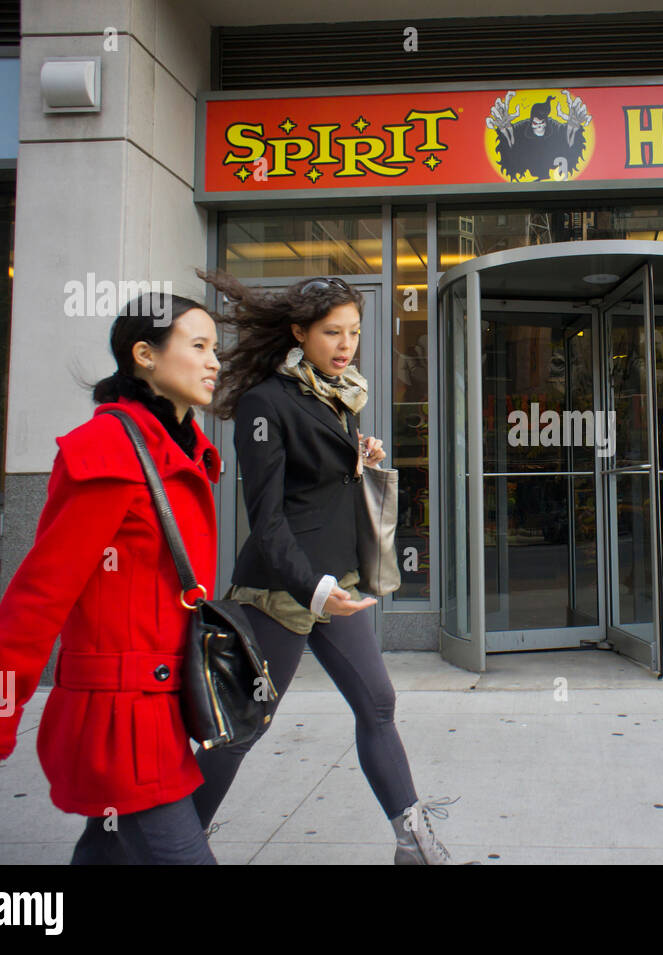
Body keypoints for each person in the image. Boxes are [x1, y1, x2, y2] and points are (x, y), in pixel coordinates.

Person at [191, 270, 469, 864]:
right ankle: (178, 845)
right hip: (282, 592)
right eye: (332, 333)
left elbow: (318, 478)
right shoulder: (266, 403)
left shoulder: (338, 394)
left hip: (336, 586)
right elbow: (266, 521)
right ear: (299, 332)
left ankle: (415, 846)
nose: (346, 345)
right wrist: (313, 588)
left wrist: (359, 454)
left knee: (378, 705)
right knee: (245, 724)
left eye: (354, 333)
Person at [0, 291, 224, 863]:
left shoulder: (177, 450)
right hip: (122, 721)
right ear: (144, 354)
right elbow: (40, 596)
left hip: (158, 709)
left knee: (107, 851)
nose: (215, 362)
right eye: (198, 346)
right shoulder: (109, 452)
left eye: (216, 348)